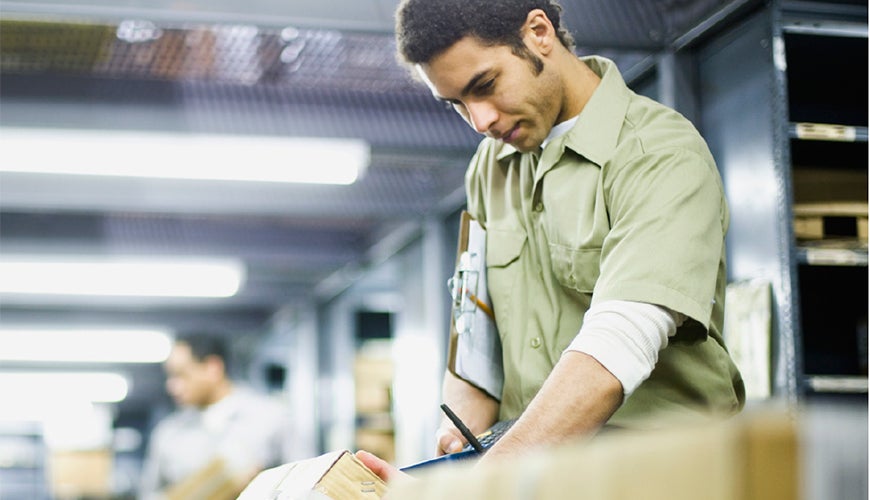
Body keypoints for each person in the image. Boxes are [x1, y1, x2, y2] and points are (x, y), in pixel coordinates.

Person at [357, 0, 745, 481]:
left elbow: (619, 344)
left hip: (662, 477)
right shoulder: (489, 169)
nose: (480, 121)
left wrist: (481, 484)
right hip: (534, 477)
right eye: (457, 103)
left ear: (539, 33)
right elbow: (475, 333)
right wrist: (451, 458)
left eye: (485, 86)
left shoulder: (658, 153)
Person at [138, 331, 292, 499]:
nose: (172, 386)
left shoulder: (272, 418)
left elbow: (305, 488)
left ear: (213, 368)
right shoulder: (168, 433)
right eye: (170, 377)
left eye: (181, 375)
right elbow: (150, 494)